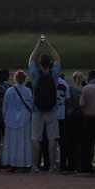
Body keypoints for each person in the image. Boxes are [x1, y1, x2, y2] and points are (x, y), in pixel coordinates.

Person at [27, 37, 65, 171]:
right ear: (49, 63)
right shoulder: (54, 74)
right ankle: (52, 165)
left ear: (40, 63)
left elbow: (31, 60)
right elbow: (58, 59)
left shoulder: (35, 74)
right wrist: (49, 44)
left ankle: (35, 165)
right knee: (52, 138)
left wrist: (37, 45)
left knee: (36, 138)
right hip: (52, 109)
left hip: (36, 109)